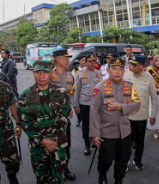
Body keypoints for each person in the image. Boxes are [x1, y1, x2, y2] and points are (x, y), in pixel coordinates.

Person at [18, 60, 71, 184]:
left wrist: (53, 141)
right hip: (37, 147)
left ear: (51, 73)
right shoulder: (26, 95)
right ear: (33, 73)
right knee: (42, 179)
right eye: (38, 72)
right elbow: (24, 123)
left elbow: (65, 118)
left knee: (59, 179)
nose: (41, 76)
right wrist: (42, 140)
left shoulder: (61, 93)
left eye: (45, 72)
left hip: (58, 145)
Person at [89, 58, 140, 184]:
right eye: (114, 68)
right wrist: (95, 133)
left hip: (125, 132)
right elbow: (94, 111)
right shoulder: (99, 88)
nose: (117, 72)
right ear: (108, 70)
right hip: (106, 132)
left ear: (124, 71)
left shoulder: (130, 87)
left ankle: (119, 179)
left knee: (122, 159)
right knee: (106, 159)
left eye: (120, 69)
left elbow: (137, 105)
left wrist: (121, 107)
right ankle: (102, 173)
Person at [124, 55, 158, 170]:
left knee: (139, 142)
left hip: (141, 116)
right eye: (131, 64)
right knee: (126, 141)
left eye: (134, 65)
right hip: (127, 115)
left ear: (142, 66)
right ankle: (125, 161)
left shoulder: (149, 78)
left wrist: (153, 115)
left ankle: (137, 160)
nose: (131, 67)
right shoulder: (126, 76)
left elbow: (154, 98)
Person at [50, 49, 76, 180]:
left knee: (66, 145)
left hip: (64, 119)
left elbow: (71, 95)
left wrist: (70, 107)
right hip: (48, 119)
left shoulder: (70, 77)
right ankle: (50, 171)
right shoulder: (48, 75)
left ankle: (65, 168)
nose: (68, 61)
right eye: (66, 58)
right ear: (58, 60)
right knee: (50, 145)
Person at [73, 54, 102, 155]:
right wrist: (76, 105)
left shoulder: (98, 73)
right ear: (85, 63)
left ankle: (94, 139)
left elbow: (101, 90)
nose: (92, 64)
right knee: (85, 124)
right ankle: (86, 144)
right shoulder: (80, 74)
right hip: (84, 103)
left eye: (94, 61)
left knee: (95, 124)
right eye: (89, 62)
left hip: (96, 104)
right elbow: (77, 91)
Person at [71, 54, 87, 127]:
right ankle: (78, 118)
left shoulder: (89, 69)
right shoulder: (75, 70)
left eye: (85, 60)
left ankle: (84, 120)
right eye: (82, 60)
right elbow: (73, 80)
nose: (84, 62)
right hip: (77, 91)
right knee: (76, 106)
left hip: (86, 91)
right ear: (79, 61)